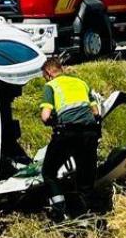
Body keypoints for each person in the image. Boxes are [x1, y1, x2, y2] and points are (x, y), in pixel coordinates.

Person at [38, 57, 103, 218]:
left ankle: (60, 211)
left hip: (67, 134)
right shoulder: (81, 83)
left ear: (48, 73)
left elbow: (45, 116)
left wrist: (54, 121)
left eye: (44, 77)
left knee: (49, 172)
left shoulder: (51, 86)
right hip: (89, 134)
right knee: (85, 176)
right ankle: (89, 214)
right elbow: (96, 112)